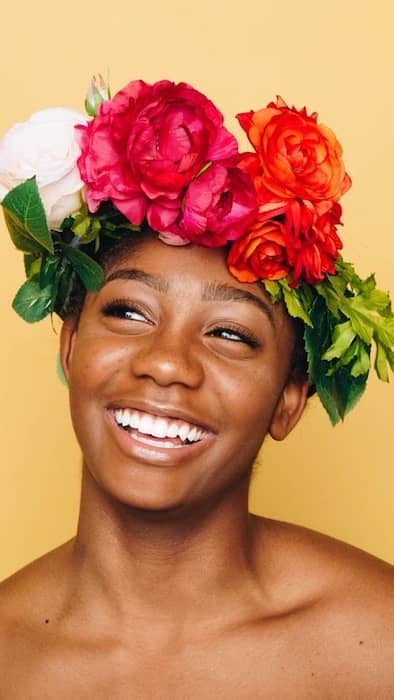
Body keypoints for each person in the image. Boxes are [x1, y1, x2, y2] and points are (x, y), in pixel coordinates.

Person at [0, 77, 393, 698]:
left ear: (288, 402)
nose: (167, 364)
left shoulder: (378, 641)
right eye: (130, 313)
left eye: (232, 334)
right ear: (70, 344)